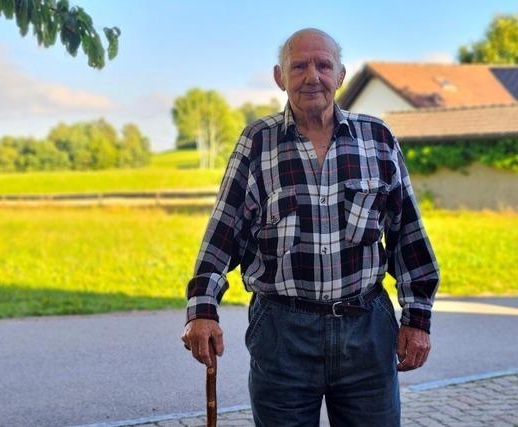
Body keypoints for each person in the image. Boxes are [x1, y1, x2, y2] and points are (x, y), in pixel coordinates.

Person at [180, 28, 440, 426]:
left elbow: (408, 234)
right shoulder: (257, 141)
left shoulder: (377, 138)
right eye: (299, 66)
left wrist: (417, 318)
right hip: (282, 334)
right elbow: (223, 231)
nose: (312, 76)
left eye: (323, 65)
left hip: (367, 330)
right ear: (279, 77)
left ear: (340, 75)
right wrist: (202, 309)